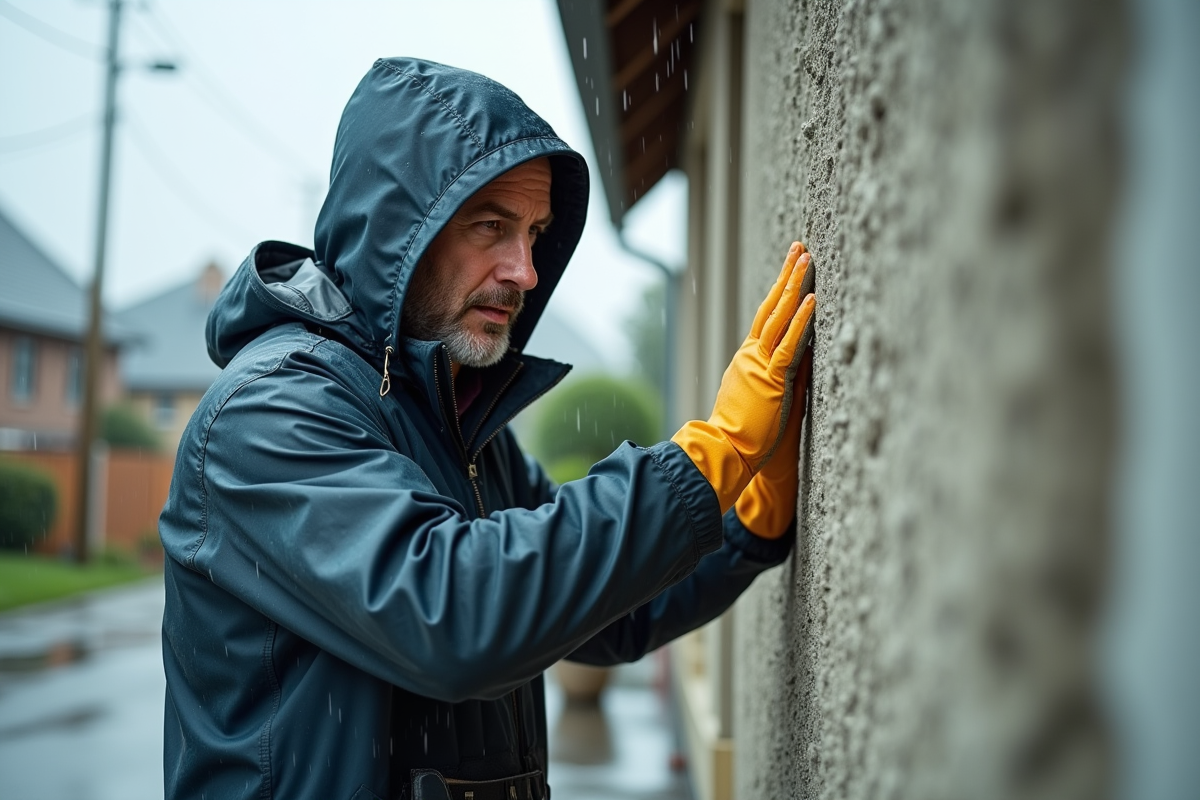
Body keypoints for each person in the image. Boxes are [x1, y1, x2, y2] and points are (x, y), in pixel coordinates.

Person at [160, 57, 815, 800]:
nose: (525, 270)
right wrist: (710, 456)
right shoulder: (267, 413)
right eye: (492, 226)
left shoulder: (457, 422)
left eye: (534, 233)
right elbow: (453, 613)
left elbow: (603, 609)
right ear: (399, 233)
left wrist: (747, 523)